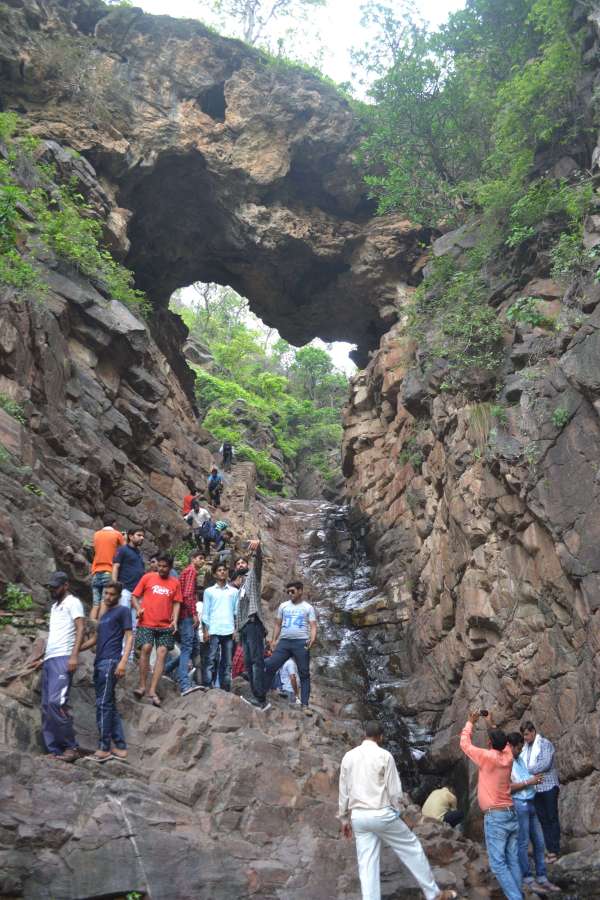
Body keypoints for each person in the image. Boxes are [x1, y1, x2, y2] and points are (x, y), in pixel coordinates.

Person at [339, 721, 456, 900]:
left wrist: (344, 820)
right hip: (381, 814)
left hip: (359, 817)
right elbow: (394, 792)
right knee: (412, 848)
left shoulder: (349, 756)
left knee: (367, 865)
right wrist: (399, 812)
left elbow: (344, 790)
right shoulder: (384, 756)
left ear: (365, 735)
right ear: (381, 737)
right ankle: (434, 894)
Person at [460, 711, 523, 900]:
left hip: (496, 817)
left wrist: (470, 722)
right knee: (512, 860)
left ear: (489, 744)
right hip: (511, 813)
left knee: (497, 864)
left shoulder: (487, 757)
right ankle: (518, 894)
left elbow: (464, 744)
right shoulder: (509, 756)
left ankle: (516, 898)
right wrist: (491, 723)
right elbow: (499, 741)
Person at [30, 572, 85, 762]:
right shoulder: (54, 607)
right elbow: (55, 636)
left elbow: (80, 628)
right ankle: (54, 749)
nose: (52, 590)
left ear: (66, 585)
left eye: (55, 586)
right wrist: (43, 658)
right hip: (51, 658)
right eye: (50, 587)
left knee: (56, 703)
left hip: (64, 658)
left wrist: (74, 655)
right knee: (46, 706)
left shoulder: (73, 602)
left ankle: (71, 747)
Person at [80, 581, 133, 763]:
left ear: (118, 595)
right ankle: (120, 746)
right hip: (100, 661)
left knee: (102, 704)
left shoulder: (123, 611)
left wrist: (123, 662)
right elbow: (95, 638)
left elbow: (129, 636)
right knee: (108, 703)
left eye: (111, 594)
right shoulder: (104, 615)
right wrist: (75, 649)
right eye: (105, 594)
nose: (108, 597)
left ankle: (104, 748)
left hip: (111, 662)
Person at [507, 733, 560, 894]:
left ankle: (543, 878)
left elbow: (525, 777)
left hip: (531, 803)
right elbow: (507, 788)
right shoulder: (505, 762)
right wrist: (530, 781)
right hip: (519, 805)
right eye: (518, 748)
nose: (521, 750)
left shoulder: (520, 759)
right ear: (511, 746)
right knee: (523, 843)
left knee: (539, 842)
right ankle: (528, 879)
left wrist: (533, 779)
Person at [132, 553, 181, 707]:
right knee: (146, 648)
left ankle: (152, 690)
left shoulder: (175, 583)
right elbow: (134, 596)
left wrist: (175, 620)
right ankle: (141, 685)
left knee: (161, 654)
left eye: (164, 566)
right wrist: (139, 608)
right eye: (159, 565)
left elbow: (177, 602)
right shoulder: (147, 578)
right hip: (146, 622)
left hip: (165, 625)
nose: (161, 569)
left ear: (170, 568)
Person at [264, 581, 317, 709]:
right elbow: (278, 624)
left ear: (300, 591)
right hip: (284, 642)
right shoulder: (283, 606)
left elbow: (313, 626)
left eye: (292, 591)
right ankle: (262, 695)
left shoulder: (308, 607)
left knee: (304, 673)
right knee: (271, 665)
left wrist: (312, 639)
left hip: (301, 642)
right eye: (288, 592)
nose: (290, 594)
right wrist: (273, 640)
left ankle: (305, 704)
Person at [235, 540, 270, 711]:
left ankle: (261, 698)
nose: (240, 564)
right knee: (248, 663)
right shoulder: (241, 585)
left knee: (256, 661)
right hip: (245, 628)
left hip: (253, 622)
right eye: (238, 563)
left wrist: (258, 549)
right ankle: (256, 695)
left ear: (247, 565)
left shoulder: (252, 577)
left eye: (243, 562)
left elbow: (259, 564)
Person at [520, 721, 561, 863]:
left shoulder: (544, 743)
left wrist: (526, 771)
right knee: (543, 820)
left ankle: (555, 850)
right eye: (523, 735)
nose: (524, 738)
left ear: (533, 732)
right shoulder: (525, 749)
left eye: (526, 734)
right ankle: (550, 850)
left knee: (552, 817)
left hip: (548, 786)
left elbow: (545, 763)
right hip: (535, 789)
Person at [169, 549, 205, 696]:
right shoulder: (191, 572)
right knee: (187, 648)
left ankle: (167, 670)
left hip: (184, 615)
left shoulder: (186, 572)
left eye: (203, 559)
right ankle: (184, 683)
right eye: (200, 558)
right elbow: (188, 595)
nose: (202, 561)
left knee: (192, 648)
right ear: (193, 559)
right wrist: (194, 614)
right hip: (186, 616)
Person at [202, 561, 238, 692]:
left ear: (227, 573)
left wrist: (236, 629)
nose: (222, 572)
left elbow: (236, 612)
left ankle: (225, 686)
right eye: (219, 570)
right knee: (211, 659)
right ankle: (207, 684)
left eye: (224, 570)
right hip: (214, 629)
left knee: (227, 661)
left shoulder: (234, 592)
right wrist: (206, 630)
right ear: (214, 574)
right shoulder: (209, 591)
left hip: (229, 630)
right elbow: (206, 613)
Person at [91, 515, 125, 620]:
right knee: (104, 602)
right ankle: (101, 628)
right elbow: (124, 549)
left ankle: (91, 627)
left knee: (95, 604)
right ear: (114, 524)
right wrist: (124, 537)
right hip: (108, 571)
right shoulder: (117, 534)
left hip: (96, 572)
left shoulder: (96, 534)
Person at [112, 527, 145, 617]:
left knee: (135, 622)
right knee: (123, 618)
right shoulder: (123, 550)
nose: (142, 538)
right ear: (130, 536)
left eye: (143, 536)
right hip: (125, 590)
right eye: (139, 535)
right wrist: (115, 586)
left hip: (137, 592)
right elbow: (116, 566)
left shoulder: (139, 552)